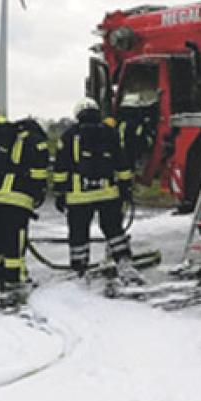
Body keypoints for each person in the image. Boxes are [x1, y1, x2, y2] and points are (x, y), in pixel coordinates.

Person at [53, 98, 143, 285]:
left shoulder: (69, 135)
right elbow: (121, 162)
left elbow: (61, 167)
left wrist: (60, 193)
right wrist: (125, 187)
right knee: (114, 229)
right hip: (108, 193)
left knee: (79, 233)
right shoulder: (110, 133)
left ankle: (80, 269)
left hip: (79, 195)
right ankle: (124, 262)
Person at [0, 117, 50, 299]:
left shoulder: (4, 138)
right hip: (16, 197)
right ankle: (14, 279)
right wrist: (38, 194)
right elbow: (39, 173)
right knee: (14, 239)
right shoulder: (36, 142)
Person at [114, 92, 158, 172]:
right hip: (132, 159)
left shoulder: (119, 122)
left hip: (119, 160)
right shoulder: (138, 124)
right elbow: (143, 142)